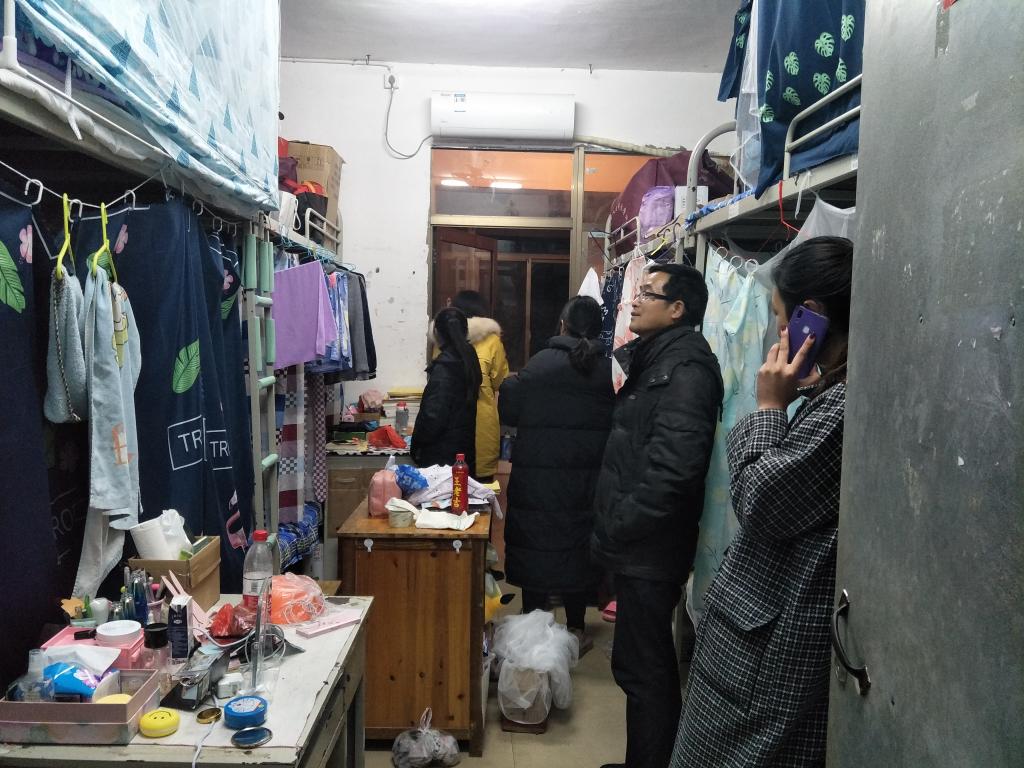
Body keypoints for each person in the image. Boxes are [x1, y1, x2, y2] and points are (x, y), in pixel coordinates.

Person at [670, 236, 853, 768]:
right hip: (757, 645)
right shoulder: (835, 391)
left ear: (810, 317)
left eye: (779, 315)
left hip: (765, 657)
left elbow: (763, 502)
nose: (776, 329)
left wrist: (770, 406)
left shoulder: (844, 406)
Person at [592, 264, 723, 768]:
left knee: (646, 670)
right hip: (641, 546)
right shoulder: (660, 360)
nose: (635, 300)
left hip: (650, 547)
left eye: (649, 294)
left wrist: (623, 523)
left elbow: (676, 469)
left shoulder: (686, 370)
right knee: (638, 664)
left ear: (677, 310)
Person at [498, 296, 615, 655]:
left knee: (536, 548)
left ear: (562, 325)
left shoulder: (540, 364)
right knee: (578, 551)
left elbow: (510, 409)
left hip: (538, 480)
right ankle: (576, 630)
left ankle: (533, 627)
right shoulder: (607, 371)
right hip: (587, 480)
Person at [411, 307, 482, 470]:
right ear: (465, 331)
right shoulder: (468, 360)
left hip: (440, 458)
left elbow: (433, 417)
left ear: (436, 333)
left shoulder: (445, 368)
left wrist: (417, 445)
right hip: (463, 451)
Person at [451, 290, 509, 482]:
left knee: (449, 487)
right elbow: (501, 381)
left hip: (451, 421)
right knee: (482, 491)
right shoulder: (492, 341)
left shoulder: (445, 339)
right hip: (482, 423)